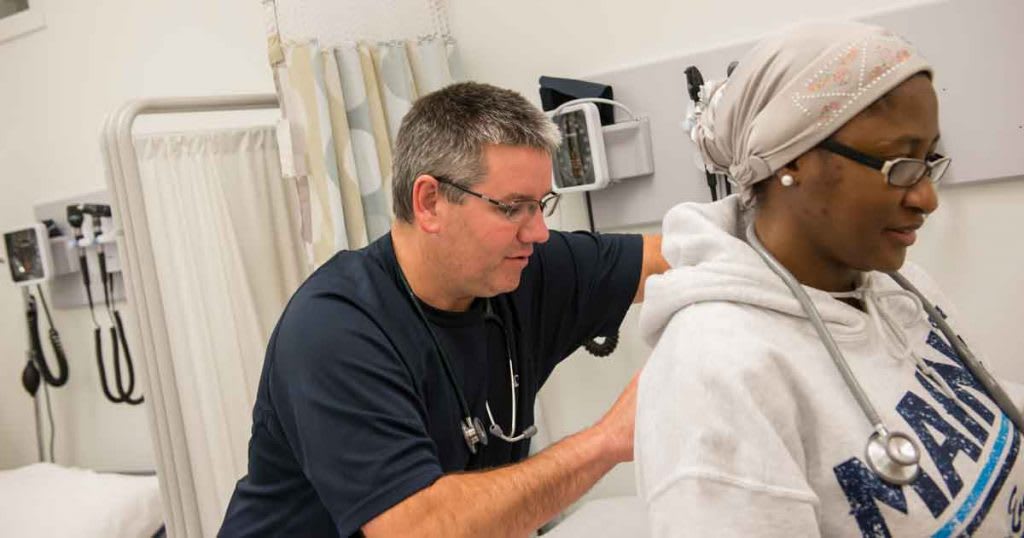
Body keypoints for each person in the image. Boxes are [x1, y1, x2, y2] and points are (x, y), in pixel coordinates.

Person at [220, 81, 669, 537]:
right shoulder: (333, 331)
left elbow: (674, 257)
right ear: (430, 202)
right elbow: (418, 529)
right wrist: (607, 441)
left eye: (541, 205)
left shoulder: (518, 269)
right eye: (513, 208)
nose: (538, 232)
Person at [635, 21, 1024, 537]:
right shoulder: (717, 373)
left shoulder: (899, 290)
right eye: (899, 166)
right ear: (792, 161)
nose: (927, 198)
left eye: (929, 162)